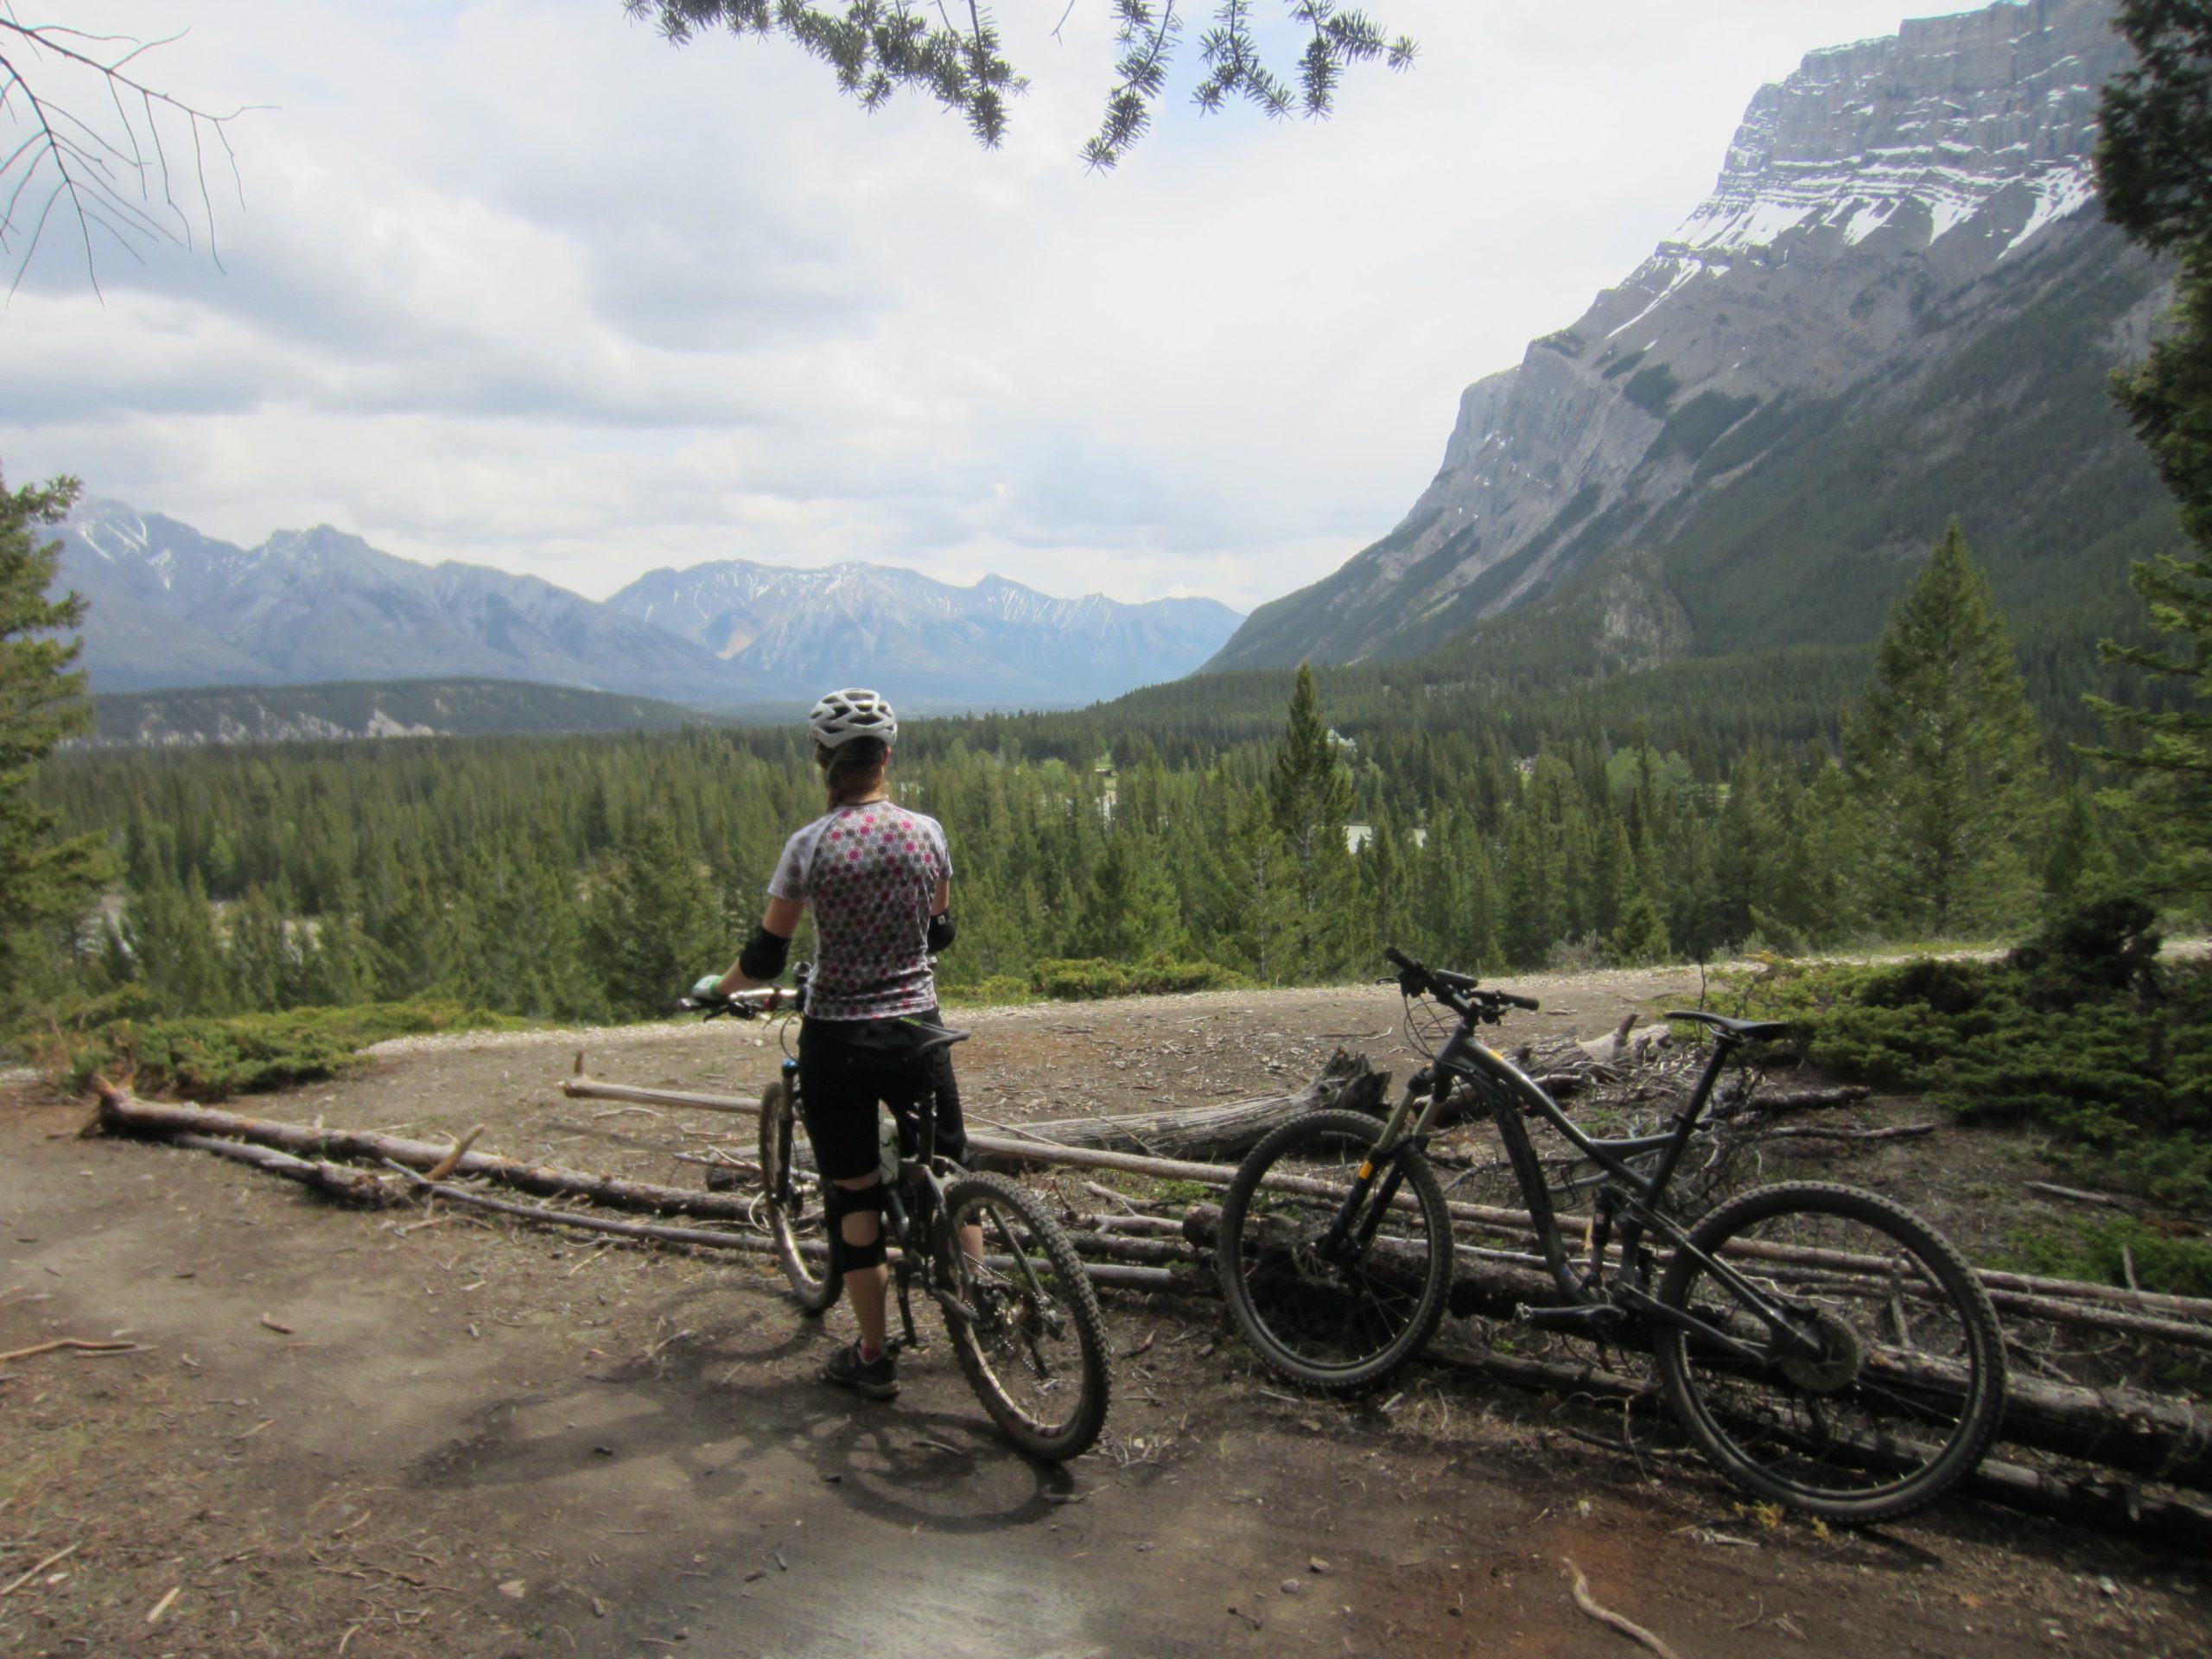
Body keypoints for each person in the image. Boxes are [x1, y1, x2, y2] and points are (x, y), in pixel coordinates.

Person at [704, 688, 964, 1402]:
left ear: (824, 761)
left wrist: (719, 991)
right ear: (886, 755)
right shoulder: (927, 832)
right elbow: (941, 932)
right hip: (919, 1028)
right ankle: (985, 1306)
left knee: (853, 1194)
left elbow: (765, 958)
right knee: (950, 1169)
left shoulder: (809, 846)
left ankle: (875, 1356)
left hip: (840, 1040)